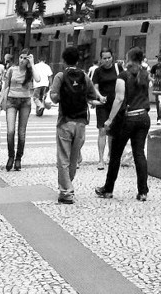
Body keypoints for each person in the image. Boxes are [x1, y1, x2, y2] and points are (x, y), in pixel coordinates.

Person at [95, 46, 153, 201]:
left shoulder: (123, 76)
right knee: (139, 154)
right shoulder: (145, 75)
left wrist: (109, 119)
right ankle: (143, 191)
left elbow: (119, 99)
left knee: (115, 155)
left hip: (128, 119)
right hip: (144, 117)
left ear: (128, 58)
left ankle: (108, 189)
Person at [50, 46, 105, 205]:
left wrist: (59, 96)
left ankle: (66, 192)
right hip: (81, 122)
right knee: (74, 159)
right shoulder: (84, 76)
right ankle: (67, 186)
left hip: (65, 122)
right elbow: (92, 95)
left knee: (63, 158)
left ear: (63, 60)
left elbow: (54, 97)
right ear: (77, 60)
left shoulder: (60, 76)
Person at [0, 48, 40, 171]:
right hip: (11, 101)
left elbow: (37, 79)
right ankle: (10, 156)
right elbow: (5, 87)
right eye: (21, 57)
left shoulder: (30, 71)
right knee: (10, 131)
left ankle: (18, 158)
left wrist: (32, 65)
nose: (22, 60)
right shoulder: (12, 70)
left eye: (25, 58)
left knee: (22, 133)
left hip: (25, 102)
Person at [91, 49, 121, 170]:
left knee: (113, 132)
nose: (107, 60)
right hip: (103, 104)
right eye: (104, 58)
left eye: (109, 57)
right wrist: (99, 96)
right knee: (102, 130)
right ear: (101, 59)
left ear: (112, 57)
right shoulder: (97, 71)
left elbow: (123, 83)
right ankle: (101, 159)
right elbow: (95, 86)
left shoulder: (118, 68)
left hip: (116, 104)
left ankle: (111, 156)